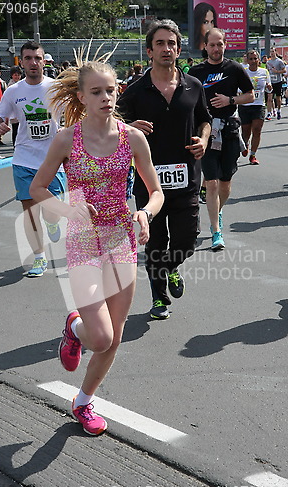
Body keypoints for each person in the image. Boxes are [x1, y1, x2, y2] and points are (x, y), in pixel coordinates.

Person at [29, 60, 164, 435]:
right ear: (81, 97)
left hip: (122, 240)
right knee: (100, 335)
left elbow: (155, 192)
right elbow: (38, 190)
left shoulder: (133, 139)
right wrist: (68, 208)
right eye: (97, 92)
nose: (106, 97)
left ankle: (84, 401)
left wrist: (145, 215)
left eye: (111, 90)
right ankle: (75, 326)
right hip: (84, 244)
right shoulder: (65, 139)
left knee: (114, 337)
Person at [117, 19, 211, 320]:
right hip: (148, 183)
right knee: (155, 244)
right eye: (160, 43)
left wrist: (204, 140)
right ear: (149, 51)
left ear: (179, 49)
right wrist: (128, 127)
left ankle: (170, 268)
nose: (166, 49)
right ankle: (159, 299)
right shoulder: (134, 92)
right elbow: (109, 128)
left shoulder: (193, 86)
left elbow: (205, 120)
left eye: (171, 43)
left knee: (186, 240)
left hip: (186, 178)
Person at [0, 41, 66, 277]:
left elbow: (74, 115)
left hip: (52, 160)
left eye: (38, 58)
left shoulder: (56, 88)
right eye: (28, 58)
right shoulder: (14, 91)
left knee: (52, 210)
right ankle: (39, 257)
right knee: (29, 210)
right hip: (23, 159)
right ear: (21, 62)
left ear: (44, 61)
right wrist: (0, 126)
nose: (33, 63)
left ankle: (53, 222)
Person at [189, 28, 254, 251]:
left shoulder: (234, 68)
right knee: (213, 181)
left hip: (230, 131)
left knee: (225, 182)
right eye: (212, 45)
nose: (216, 49)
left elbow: (251, 94)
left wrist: (231, 100)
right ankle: (216, 231)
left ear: (225, 45)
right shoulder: (196, 72)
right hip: (207, 132)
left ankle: (218, 209)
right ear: (205, 47)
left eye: (220, 45)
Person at [238, 50, 272, 166]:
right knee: (246, 131)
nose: (253, 61)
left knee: (257, 130)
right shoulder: (243, 72)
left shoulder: (264, 72)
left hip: (258, 105)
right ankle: (245, 144)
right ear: (247, 60)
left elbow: (268, 89)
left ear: (258, 60)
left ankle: (253, 155)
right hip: (245, 105)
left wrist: (269, 87)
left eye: (255, 59)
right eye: (251, 59)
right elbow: (237, 89)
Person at [266, 47, 286, 120]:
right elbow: (267, 71)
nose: (271, 53)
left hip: (278, 81)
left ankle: (279, 110)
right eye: (270, 52)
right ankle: (269, 113)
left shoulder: (279, 61)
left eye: (273, 51)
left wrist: (277, 72)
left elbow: (284, 70)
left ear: (275, 52)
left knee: (278, 97)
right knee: (269, 98)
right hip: (271, 82)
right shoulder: (268, 62)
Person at [7, 65, 23, 146]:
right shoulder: (11, 85)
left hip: (21, 109)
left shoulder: (21, 83)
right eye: (15, 75)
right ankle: (15, 145)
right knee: (15, 129)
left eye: (18, 75)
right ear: (12, 75)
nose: (17, 76)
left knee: (21, 129)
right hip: (14, 110)